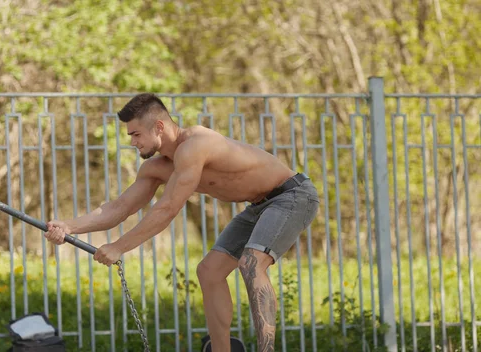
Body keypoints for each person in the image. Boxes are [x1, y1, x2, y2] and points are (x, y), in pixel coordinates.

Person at [44, 93, 319, 352]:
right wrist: (69, 226)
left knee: (251, 262)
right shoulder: (155, 168)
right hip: (259, 206)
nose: (132, 142)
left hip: (291, 195)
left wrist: (119, 246)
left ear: (159, 127)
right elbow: (118, 208)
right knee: (209, 272)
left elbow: (167, 209)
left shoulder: (195, 145)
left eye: (136, 134)